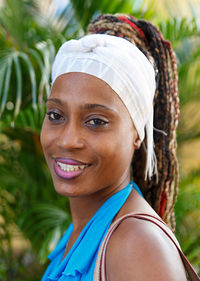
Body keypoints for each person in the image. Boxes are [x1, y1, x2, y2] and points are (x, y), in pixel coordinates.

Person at [40, 14, 198, 281]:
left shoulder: (136, 245)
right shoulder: (84, 230)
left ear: (137, 133)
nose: (67, 140)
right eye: (56, 115)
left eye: (96, 121)